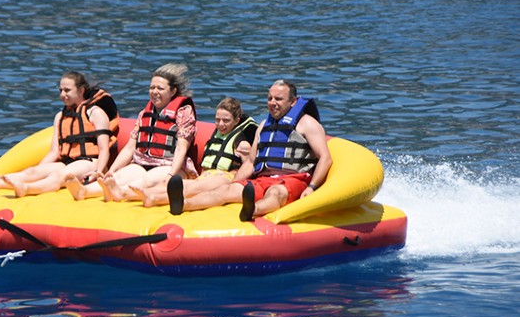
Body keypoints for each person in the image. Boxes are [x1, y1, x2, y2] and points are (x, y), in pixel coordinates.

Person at [167, 79, 332, 221]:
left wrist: (312, 187)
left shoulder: (307, 124)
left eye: (278, 99)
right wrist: (235, 182)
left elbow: (325, 158)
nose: (272, 102)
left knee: (275, 193)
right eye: (270, 98)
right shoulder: (263, 127)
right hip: (263, 179)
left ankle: (252, 210)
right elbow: (252, 162)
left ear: (293, 101)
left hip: (293, 179)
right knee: (226, 190)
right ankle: (183, 204)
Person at [0, 71, 119, 197]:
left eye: (67, 90)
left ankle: (27, 189)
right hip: (66, 162)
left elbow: (104, 149)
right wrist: (39, 170)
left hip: (89, 162)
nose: (62, 95)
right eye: (60, 90)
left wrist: (99, 172)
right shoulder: (60, 116)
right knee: (31, 172)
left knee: (59, 176)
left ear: (81, 91)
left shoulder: (96, 113)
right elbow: (54, 152)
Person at [66, 63, 198, 201]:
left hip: (171, 166)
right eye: (152, 87)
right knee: (119, 177)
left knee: (148, 179)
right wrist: (111, 171)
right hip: (143, 161)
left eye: (160, 88)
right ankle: (84, 191)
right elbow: (130, 147)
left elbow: (181, 148)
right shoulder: (144, 113)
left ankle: (120, 193)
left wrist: (171, 175)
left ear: (173, 91)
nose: (154, 92)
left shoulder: (184, 112)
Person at [130, 97, 258, 209]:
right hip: (207, 175)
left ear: (236, 121)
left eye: (226, 121)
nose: (220, 124)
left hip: (225, 177)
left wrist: (236, 183)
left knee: (193, 188)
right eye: (217, 120)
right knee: (178, 184)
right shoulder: (217, 135)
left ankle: (154, 199)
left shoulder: (241, 142)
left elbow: (248, 167)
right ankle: (141, 193)